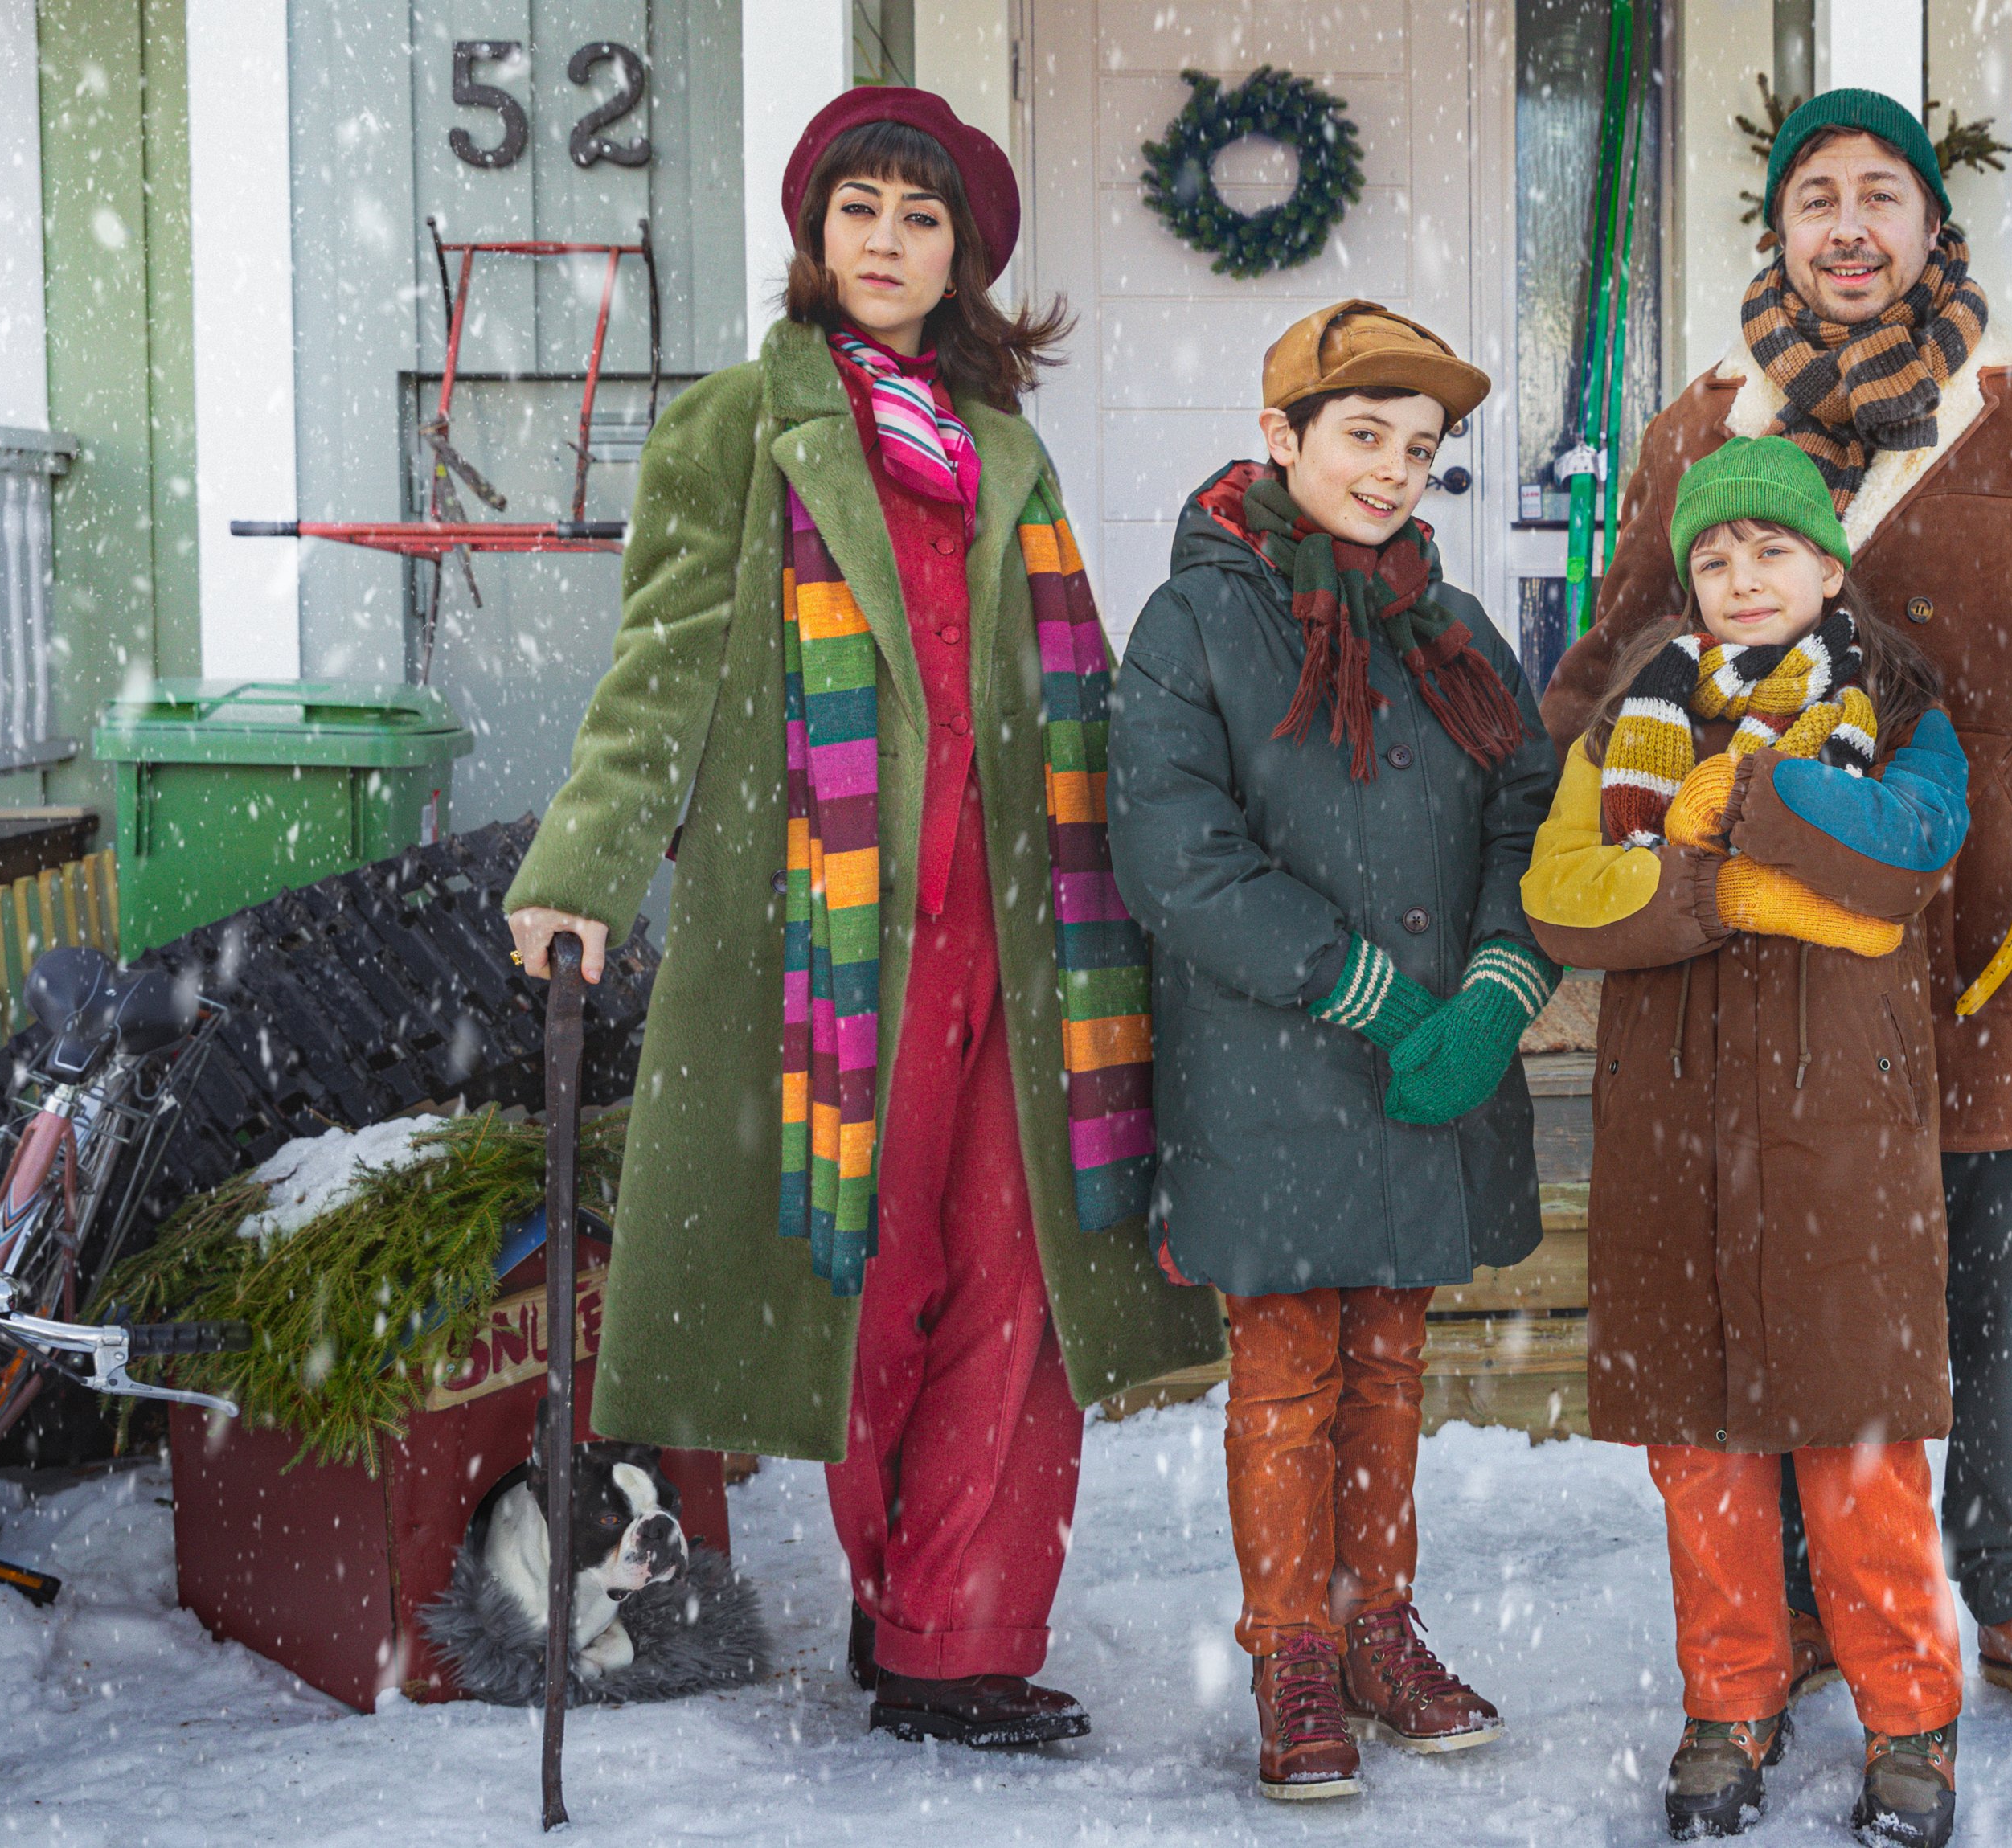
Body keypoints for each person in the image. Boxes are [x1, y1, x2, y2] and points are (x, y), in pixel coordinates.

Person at [503, 86, 1219, 1752]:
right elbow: (660, 674)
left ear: (962, 256)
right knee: (862, 1282)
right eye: (860, 212)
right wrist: (584, 869)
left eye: (920, 218)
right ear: (815, 237)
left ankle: (953, 1642)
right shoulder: (739, 429)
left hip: (1026, 929)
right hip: (829, 948)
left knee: (1016, 1279)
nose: (886, 242)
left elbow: (1080, 692)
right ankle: (896, 1588)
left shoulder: (1005, 448)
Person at [1536, 89, 2012, 1723]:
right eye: (1814, 199)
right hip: (1774, 959)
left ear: (1931, 224)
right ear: (1773, 234)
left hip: (1997, 933)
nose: (1847, 226)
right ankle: (1800, 1598)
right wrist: (1562, 797)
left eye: (1879, 196)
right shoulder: (1705, 430)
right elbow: (1622, 649)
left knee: (1999, 1277)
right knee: (1788, 1274)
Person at [1106, 301, 1562, 1803]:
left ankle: (1381, 1627)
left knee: (1390, 1363)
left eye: (1419, 451)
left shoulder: (1451, 623)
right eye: (1362, 437)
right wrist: (1361, 986)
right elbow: (1176, 854)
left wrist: (1497, 981)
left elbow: (1527, 809)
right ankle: (1294, 1644)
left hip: (1433, 1062)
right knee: (1288, 1376)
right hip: (1277, 1072)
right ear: (1281, 436)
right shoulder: (1195, 625)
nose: (1390, 474)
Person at [1526, 436, 1975, 1846]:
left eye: (1769, 550)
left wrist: (1755, 801)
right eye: (1713, 558)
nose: (1739, 578)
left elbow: (1905, 855)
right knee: (1700, 1450)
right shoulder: (1631, 716)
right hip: (1669, 1127)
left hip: (1844, 1126)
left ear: (1829, 565)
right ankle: (1731, 1698)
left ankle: (1910, 1715)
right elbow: (1565, 894)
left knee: (1860, 1445)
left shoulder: (1898, 703)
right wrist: (1726, 893)